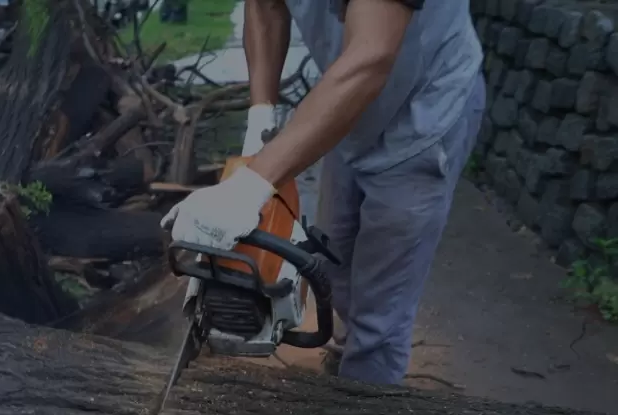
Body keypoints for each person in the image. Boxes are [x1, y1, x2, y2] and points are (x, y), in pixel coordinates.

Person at [162, 0, 486, 385]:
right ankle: (352, 349)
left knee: (381, 313)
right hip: (346, 113)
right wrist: (261, 120)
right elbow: (265, 6)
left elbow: (372, 53)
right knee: (334, 259)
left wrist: (250, 187)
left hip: (422, 112)